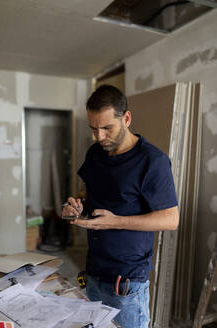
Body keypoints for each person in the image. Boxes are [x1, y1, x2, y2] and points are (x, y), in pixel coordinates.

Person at [62, 84, 179, 328]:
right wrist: (76, 205)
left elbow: (170, 219)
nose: (100, 137)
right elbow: (87, 191)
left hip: (127, 279)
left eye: (107, 128)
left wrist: (115, 221)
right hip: (94, 271)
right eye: (94, 129)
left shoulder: (152, 161)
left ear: (126, 118)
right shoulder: (95, 153)